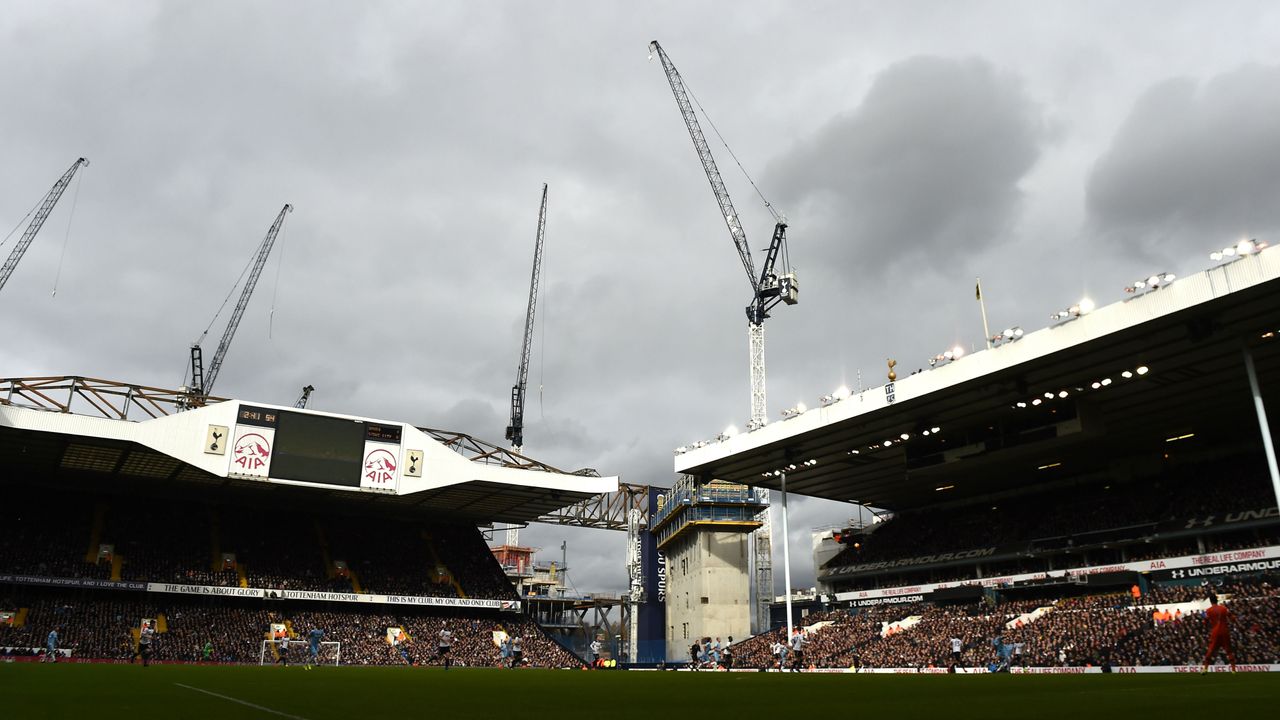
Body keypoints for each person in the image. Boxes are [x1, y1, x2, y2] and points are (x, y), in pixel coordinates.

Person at [1201, 593, 1237, 673]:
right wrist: (1234, 622)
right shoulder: (1223, 608)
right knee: (1229, 650)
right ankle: (1233, 669)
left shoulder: (1209, 610)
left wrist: (1205, 626)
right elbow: (1232, 617)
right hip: (1225, 631)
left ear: (1210, 601)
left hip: (1215, 632)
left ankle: (1205, 668)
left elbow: (1205, 621)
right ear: (1217, 600)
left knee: (1210, 650)